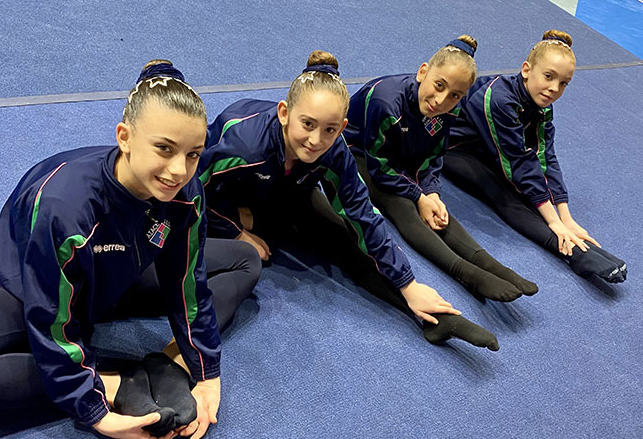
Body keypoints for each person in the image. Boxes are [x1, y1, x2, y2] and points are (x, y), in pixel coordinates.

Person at [0, 60, 262, 439]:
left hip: (119, 273)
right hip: (42, 292)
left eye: (193, 154)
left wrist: (205, 370)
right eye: (164, 149)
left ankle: (167, 364)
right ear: (124, 137)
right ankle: (116, 377)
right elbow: (52, 317)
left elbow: (187, 284)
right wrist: (95, 408)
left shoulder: (184, 191)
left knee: (244, 261)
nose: (179, 170)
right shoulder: (64, 206)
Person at [198, 50, 500, 351]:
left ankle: (430, 318)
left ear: (341, 128)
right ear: (284, 113)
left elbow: (363, 214)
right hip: (225, 200)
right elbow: (193, 190)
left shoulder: (332, 149)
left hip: (287, 191)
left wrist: (409, 285)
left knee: (348, 238)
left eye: (329, 130)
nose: (316, 140)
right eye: (307, 124)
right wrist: (234, 229)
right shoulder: (243, 144)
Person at [344, 35, 538, 302]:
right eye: (439, 85)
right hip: (359, 153)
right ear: (423, 72)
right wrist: (418, 196)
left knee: (437, 209)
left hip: (399, 150)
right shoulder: (386, 103)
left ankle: (491, 265)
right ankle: (464, 271)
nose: (441, 100)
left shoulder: (447, 110)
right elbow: (380, 167)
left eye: (454, 95)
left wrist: (431, 192)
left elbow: (434, 156)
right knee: (401, 205)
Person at [444, 30, 627, 283]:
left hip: (489, 145)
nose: (554, 89)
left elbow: (545, 156)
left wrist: (566, 217)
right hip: (455, 147)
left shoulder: (541, 104)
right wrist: (554, 223)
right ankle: (572, 252)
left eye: (563, 83)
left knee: (530, 186)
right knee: (501, 190)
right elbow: (519, 162)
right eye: (549, 77)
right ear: (526, 69)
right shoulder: (499, 100)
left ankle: (580, 242)